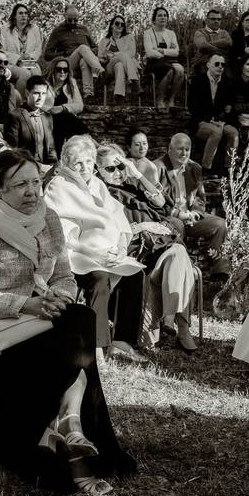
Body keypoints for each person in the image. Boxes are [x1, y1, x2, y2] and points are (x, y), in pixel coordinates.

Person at [0, 149, 137, 494]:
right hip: (0, 332)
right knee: (74, 334)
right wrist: (28, 304)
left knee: (79, 315)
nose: (32, 191)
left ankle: (69, 424)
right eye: (20, 184)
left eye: (36, 182)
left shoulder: (48, 218)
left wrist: (58, 297)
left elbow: (65, 277)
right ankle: (74, 448)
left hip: (46, 319)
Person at [44, 135, 147, 363]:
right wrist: (94, 254)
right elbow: (62, 236)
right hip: (77, 256)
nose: (84, 168)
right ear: (65, 164)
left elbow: (118, 220)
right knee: (99, 278)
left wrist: (121, 248)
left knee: (135, 275)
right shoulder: (58, 187)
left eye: (89, 162)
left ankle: (122, 341)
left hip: (107, 253)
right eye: (77, 163)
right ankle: (98, 346)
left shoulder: (98, 184)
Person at [96, 143, 197, 352]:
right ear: (98, 170)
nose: (117, 173)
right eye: (110, 168)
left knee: (178, 253)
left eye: (120, 167)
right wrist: (141, 226)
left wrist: (136, 174)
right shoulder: (101, 193)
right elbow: (105, 231)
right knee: (179, 254)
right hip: (137, 252)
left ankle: (172, 322)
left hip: (161, 247)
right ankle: (179, 325)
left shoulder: (133, 187)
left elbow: (162, 204)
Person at [153, 133, 229, 276]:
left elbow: (200, 198)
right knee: (178, 224)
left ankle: (221, 272)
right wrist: (179, 215)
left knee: (221, 224)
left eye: (187, 149)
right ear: (170, 149)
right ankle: (178, 270)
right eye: (180, 149)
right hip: (168, 217)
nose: (184, 153)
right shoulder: (158, 168)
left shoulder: (194, 168)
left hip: (189, 216)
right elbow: (157, 203)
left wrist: (195, 214)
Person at [187, 51, 236, 173]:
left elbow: (229, 107)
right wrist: (210, 120)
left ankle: (228, 168)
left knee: (233, 133)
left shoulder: (226, 83)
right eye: (217, 64)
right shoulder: (197, 81)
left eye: (223, 65)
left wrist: (222, 119)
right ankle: (206, 168)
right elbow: (192, 107)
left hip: (219, 121)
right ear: (208, 65)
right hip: (201, 121)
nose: (220, 67)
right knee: (216, 132)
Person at [43, 5, 105, 97]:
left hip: (84, 62)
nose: (72, 22)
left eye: (75, 20)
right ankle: (100, 71)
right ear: (65, 16)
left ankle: (88, 94)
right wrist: (64, 53)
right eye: (70, 20)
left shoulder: (83, 29)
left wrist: (88, 54)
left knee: (84, 60)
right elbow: (47, 55)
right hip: (68, 62)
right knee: (82, 48)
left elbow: (95, 47)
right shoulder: (57, 31)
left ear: (78, 17)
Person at [5, 75, 57, 166]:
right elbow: (13, 151)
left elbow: (51, 149)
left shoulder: (47, 116)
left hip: (46, 168)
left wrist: (53, 165)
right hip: (24, 167)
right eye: (36, 93)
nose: (41, 98)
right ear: (27, 93)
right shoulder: (15, 116)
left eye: (43, 93)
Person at [43, 56, 90, 155]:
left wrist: (62, 108)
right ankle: (92, 142)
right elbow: (40, 105)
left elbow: (79, 106)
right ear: (53, 70)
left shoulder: (71, 84)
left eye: (65, 70)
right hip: (48, 121)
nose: (62, 72)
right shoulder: (44, 84)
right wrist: (52, 110)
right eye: (59, 69)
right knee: (65, 117)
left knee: (65, 116)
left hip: (66, 123)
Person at [143, 6, 186, 109]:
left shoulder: (171, 33)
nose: (163, 18)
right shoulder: (148, 33)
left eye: (165, 16)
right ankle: (160, 99)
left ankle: (171, 100)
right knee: (169, 70)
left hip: (170, 61)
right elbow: (149, 53)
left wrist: (160, 50)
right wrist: (165, 53)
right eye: (160, 15)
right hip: (154, 61)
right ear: (154, 19)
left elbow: (176, 52)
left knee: (180, 70)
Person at [0, 3, 44, 94]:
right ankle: (20, 101)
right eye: (20, 13)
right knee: (25, 74)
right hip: (12, 63)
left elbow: (38, 49)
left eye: (26, 13)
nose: (24, 15)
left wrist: (29, 56)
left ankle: (34, 101)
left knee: (36, 73)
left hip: (29, 62)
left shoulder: (34, 29)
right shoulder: (5, 29)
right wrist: (18, 58)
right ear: (14, 16)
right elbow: (2, 51)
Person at [96, 14, 140, 103]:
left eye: (122, 24)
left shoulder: (129, 37)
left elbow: (131, 53)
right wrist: (106, 57)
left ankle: (119, 96)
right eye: (117, 23)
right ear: (112, 25)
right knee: (123, 56)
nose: (120, 26)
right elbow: (99, 57)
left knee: (119, 64)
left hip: (124, 66)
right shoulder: (104, 40)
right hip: (109, 67)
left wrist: (113, 54)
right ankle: (135, 82)